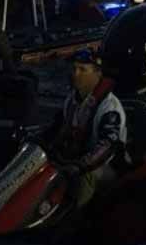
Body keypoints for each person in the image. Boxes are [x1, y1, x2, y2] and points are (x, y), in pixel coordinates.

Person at [48, 47, 127, 215]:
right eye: (74, 68)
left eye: (82, 70)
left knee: (85, 177)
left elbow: (107, 146)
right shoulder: (72, 100)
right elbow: (58, 128)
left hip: (106, 166)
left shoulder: (109, 107)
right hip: (76, 158)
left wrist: (80, 166)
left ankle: (75, 218)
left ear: (98, 74)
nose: (75, 74)